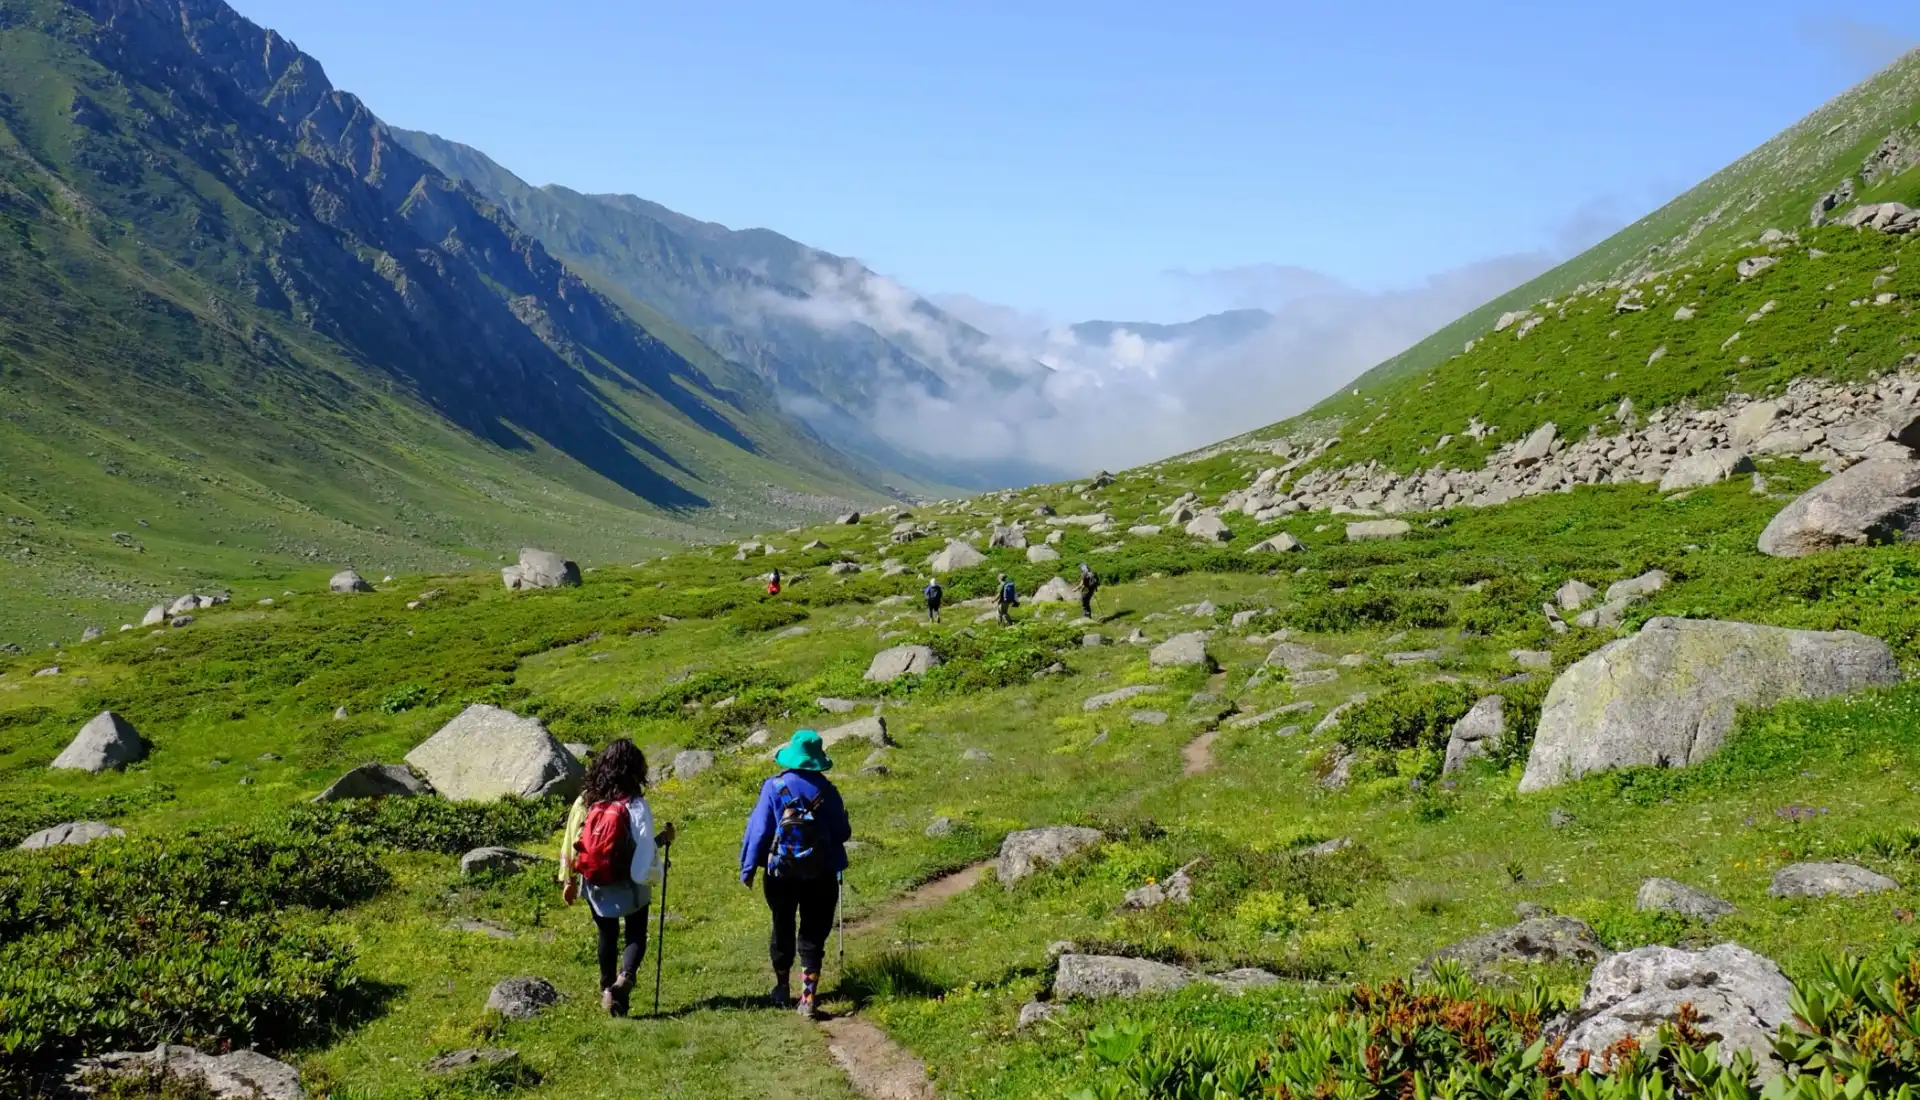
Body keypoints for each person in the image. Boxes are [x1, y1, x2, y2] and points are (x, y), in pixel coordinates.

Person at [739, 729, 851, 1021]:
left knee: (782, 924)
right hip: (822, 873)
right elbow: (842, 832)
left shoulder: (773, 787)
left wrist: (748, 869)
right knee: (813, 933)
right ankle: (808, 997)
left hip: (780, 873)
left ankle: (781, 987)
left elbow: (760, 830)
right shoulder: (828, 791)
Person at [558, 739, 675, 1017]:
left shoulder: (585, 799)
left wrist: (568, 879)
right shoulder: (634, 803)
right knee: (636, 932)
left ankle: (607, 989)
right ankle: (626, 979)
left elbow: (570, 840)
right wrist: (661, 852)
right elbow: (643, 847)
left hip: (595, 880)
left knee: (606, 934)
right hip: (629, 881)